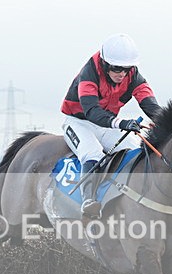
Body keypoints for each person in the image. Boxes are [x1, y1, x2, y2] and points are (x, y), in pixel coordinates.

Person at [61, 33, 162, 218]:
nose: (122, 74)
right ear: (106, 63)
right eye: (117, 69)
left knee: (137, 151)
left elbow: (150, 104)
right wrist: (122, 123)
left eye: (126, 69)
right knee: (92, 153)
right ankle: (88, 201)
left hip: (106, 124)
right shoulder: (89, 73)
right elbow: (92, 111)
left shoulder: (134, 76)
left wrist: (166, 123)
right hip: (78, 122)